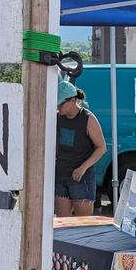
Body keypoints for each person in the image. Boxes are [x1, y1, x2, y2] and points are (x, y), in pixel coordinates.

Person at [54, 79, 106, 216]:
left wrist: (83, 167)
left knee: (83, 226)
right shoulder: (57, 117)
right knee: (62, 225)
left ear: (72, 100)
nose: (58, 107)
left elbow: (101, 148)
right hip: (61, 175)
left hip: (81, 178)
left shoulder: (88, 118)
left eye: (61, 104)